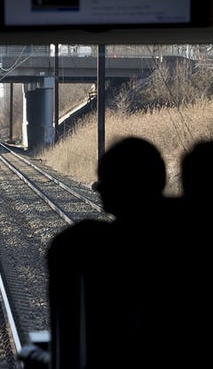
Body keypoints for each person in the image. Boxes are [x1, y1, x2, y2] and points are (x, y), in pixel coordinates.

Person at [45, 136, 178, 368]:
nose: (99, 187)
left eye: (104, 179)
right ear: (161, 180)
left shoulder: (79, 245)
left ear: (112, 188)